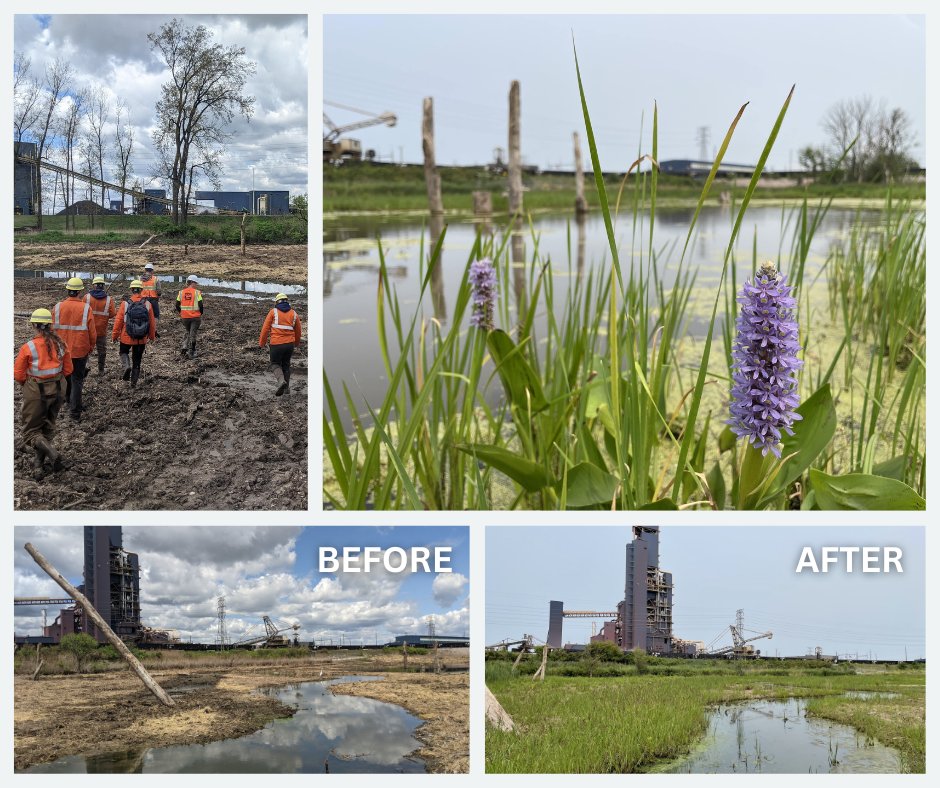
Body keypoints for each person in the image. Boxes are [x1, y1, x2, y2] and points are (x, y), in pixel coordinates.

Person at [14, 309, 74, 474]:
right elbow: (68, 370)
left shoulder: (28, 347)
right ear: (50, 325)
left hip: (36, 391)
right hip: (58, 389)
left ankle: (53, 454)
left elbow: (18, 375)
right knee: (47, 428)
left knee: (31, 433)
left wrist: (28, 386)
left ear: (33, 325)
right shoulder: (61, 344)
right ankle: (38, 467)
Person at [52, 276, 96, 422]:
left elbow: (51, 330)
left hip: (61, 351)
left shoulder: (57, 307)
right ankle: (75, 412)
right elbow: (92, 332)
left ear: (68, 290)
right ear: (80, 292)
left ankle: (68, 400)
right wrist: (91, 347)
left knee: (66, 377)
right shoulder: (85, 308)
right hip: (79, 350)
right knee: (77, 379)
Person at [112, 279, 156, 388]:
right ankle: (133, 384)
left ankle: (126, 366)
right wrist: (151, 336)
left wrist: (115, 335)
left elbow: (118, 321)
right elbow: (152, 323)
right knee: (137, 361)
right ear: (141, 290)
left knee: (123, 352)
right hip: (141, 339)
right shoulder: (147, 304)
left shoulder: (125, 304)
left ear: (131, 290)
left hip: (126, 336)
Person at [259, 293, 302, 396]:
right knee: (286, 365)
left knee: (275, 364)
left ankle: (281, 381)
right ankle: (286, 389)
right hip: (289, 345)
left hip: (276, 344)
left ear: (276, 302)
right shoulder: (294, 314)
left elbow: (265, 329)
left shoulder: (273, 312)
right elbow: (298, 331)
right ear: (287, 301)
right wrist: (296, 343)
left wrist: (262, 343)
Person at [83, 275, 117, 376]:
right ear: (103, 286)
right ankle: (101, 370)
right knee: (101, 351)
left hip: (87, 330)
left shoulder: (86, 297)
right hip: (101, 330)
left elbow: (81, 312)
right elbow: (112, 314)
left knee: (85, 349)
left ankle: (86, 365)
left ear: (94, 286)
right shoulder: (108, 300)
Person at [175, 274, 204, 359]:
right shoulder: (197, 292)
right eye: (196, 283)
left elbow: (177, 304)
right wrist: (200, 313)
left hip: (184, 317)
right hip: (195, 317)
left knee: (188, 331)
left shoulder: (181, 292)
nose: (196, 285)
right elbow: (201, 304)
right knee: (193, 334)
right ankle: (192, 351)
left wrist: (181, 312)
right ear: (192, 282)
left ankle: (184, 346)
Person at [139, 262, 162, 327]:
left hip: (143, 299)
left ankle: (143, 327)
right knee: (156, 315)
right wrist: (158, 296)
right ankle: (154, 328)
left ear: (145, 270)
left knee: (143, 313)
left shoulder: (140, 279)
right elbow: (159, 291)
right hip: (153, 299)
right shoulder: (155, 279)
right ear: (152, 271)